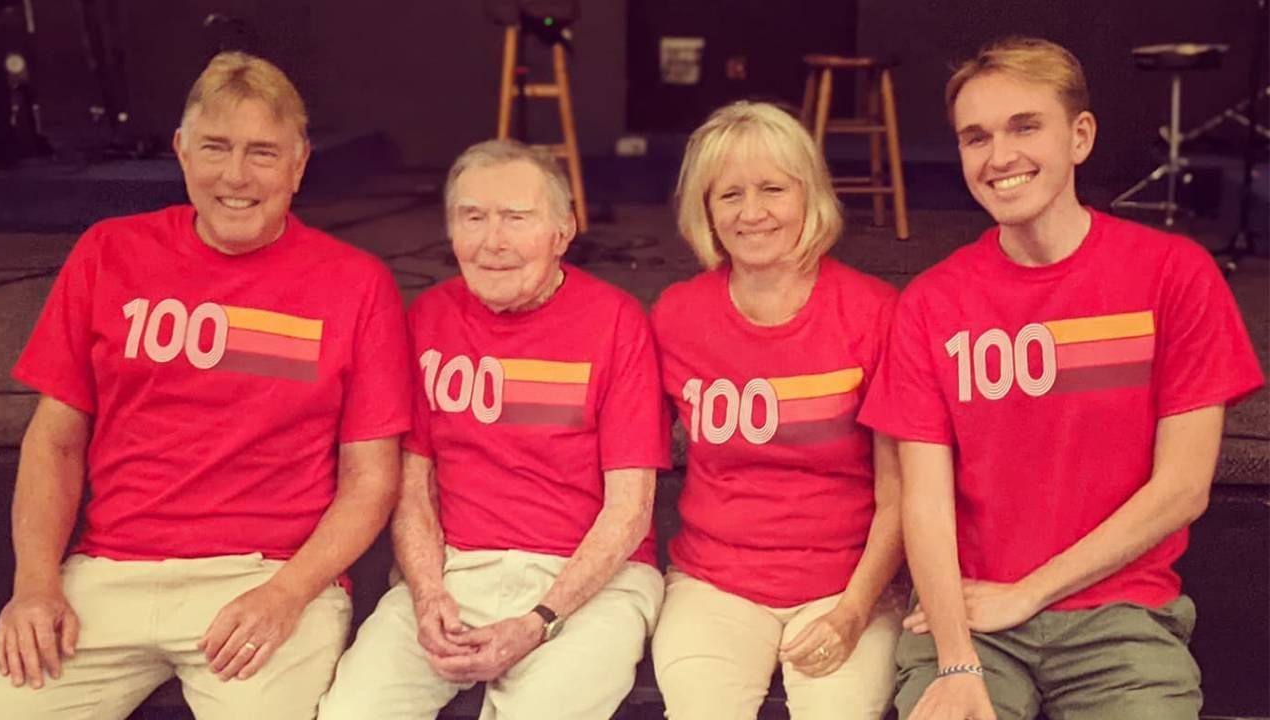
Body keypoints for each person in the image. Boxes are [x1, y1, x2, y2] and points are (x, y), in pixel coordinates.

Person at [0, 51, 411, 720]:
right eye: (216, 148)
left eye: (263, 153)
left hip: (266, 577)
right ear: (181, 152)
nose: (236, 176)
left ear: (300, 164)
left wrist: (287, 594)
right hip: (107, 575)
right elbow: (55, 442)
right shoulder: (109, 252)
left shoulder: (357, 285)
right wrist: (35, 585)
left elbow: (371, 479)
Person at [857, 36, 1265, 720]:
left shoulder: (1175, 274)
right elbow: (922, 502)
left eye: (1025, 127)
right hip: (970, 618)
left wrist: (1031, 591)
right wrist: (957, 661)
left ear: (1080, 137)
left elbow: (1183, 489)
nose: (1000, 156)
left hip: (1120, 615)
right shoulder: (931, 303)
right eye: (975, 137)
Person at [318, 139, 669, 720]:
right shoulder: (428, 317)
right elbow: (413, 486)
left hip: (589, 583)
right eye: (472, 218)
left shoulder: (615, 322)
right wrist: (428, 593)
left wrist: (540, 620)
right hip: (457, 570)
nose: (492, 242)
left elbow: (630, 510)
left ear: (563, 231)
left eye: (516, 218)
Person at [649, 100, 905, 719]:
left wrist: (852, 613)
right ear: (706, 211)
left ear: (809, 196)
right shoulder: (675, 317)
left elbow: (904, 497)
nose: (752, 212)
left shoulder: (875, 313)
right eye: (729, 194)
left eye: (772, 189)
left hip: (847, 584)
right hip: (713, 584)